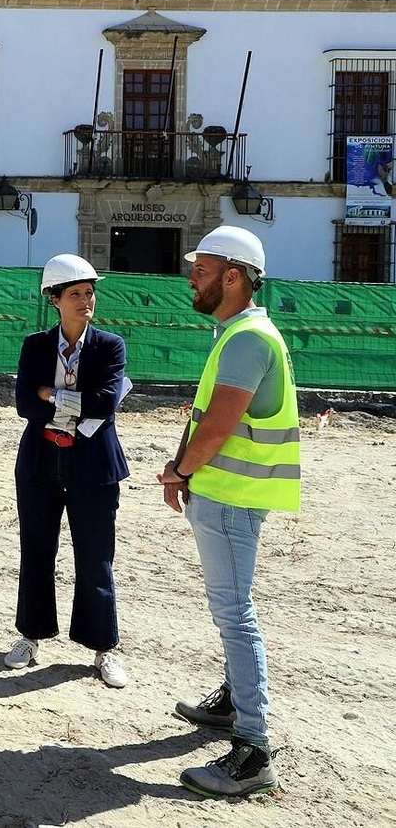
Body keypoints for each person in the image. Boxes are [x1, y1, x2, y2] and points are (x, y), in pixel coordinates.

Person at [157, 225, 299, 800]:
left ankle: (254, 747)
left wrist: (183, 470)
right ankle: (235, 703)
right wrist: (181, 465)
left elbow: (218, 426)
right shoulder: (238, 332)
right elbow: (205, 415)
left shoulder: (246, 339)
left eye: (203, 270)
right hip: (223, 493)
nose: (192, 277)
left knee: (235, 613)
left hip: (232, 498)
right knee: (231, 610)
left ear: (233, 277)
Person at [7, 254, 130, 688]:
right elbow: (24, 404)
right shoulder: (35, 346)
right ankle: (30, 636)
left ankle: (103, 649)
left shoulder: (110, 346)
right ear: (54, 299)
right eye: (75, 293)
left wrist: (52, 395)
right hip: (41, 462)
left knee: (95, 557)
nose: (86, 300)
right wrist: (72, 399)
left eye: (89, 292)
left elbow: (107, 403)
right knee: (36, 551)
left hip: (94, 466)